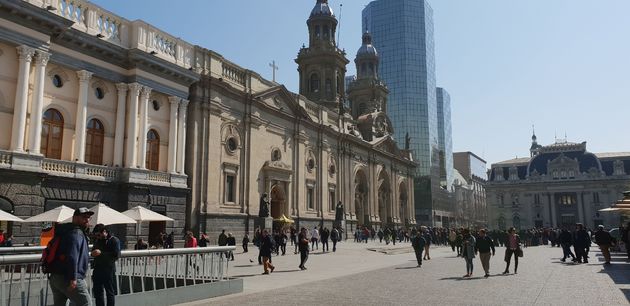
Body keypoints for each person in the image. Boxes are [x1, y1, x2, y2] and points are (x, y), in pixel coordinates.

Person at [49, 207, 93, 306]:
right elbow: (72, 256)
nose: (87, 220)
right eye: (84, 217)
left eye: (89, 217)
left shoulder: (64, 230)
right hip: (69, 277)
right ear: (75, 218)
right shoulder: (77, 233)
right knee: (86, 304)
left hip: (55, 276)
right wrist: (73, 278)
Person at [91, 224, 121, 306]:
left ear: (105, 232)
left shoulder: (114, 240)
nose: (97, 237)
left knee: (109, 291)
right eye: (96, 235)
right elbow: (94, 251)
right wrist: (93, 253)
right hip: (97, 268)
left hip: (108, 269)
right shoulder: (98, 241)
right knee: (98, 292)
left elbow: (116, 255)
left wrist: (101, 254)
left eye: (98, 235)